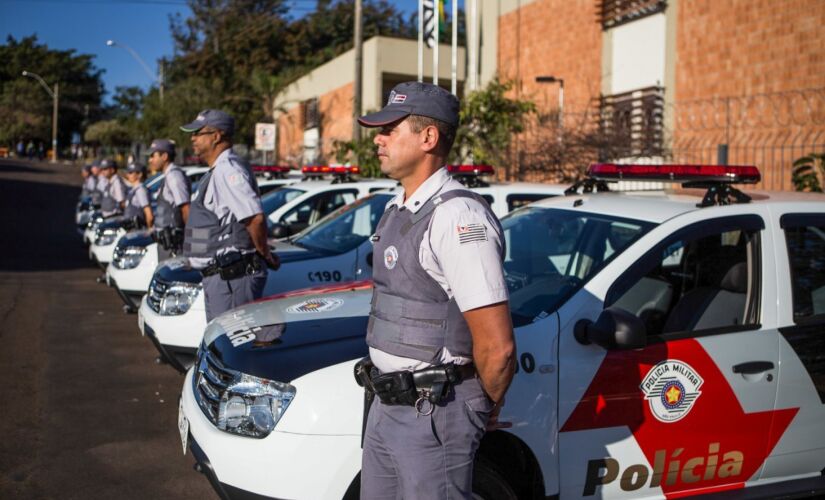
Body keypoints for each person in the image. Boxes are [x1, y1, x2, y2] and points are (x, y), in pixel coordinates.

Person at [354, 82, 517, 500]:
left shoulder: (457, 216)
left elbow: (497, 346)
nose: (378, 138)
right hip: (386, 404)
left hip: (433, 410)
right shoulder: (400, 209)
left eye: (390, 128)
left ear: (428, 137)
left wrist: (479, 408)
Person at [179, 109, 280, 321]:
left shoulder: (228, 170)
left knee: (232, 344)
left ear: (216, 136)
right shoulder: (219, 170)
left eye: (198, 133)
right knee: (221, 343)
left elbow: (254, 218)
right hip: (222, 278)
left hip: (232, 277)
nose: (193, 138)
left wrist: (264, 254)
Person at [147, 139, 190, 258]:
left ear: (164, 156)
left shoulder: (174, 176)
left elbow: (186, 209)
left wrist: (191, 241)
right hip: (166, 243)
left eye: (153, 156)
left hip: (173, 246)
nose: (150, 160)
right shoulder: (167, 175)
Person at [123, 162, 153, 228]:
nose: (128, 175)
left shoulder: (140, 190)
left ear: (140, 174)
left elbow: (149, 214)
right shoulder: (134, 190)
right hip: (131, 229)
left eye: (131, 173)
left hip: (138, 229)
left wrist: (149, 231)